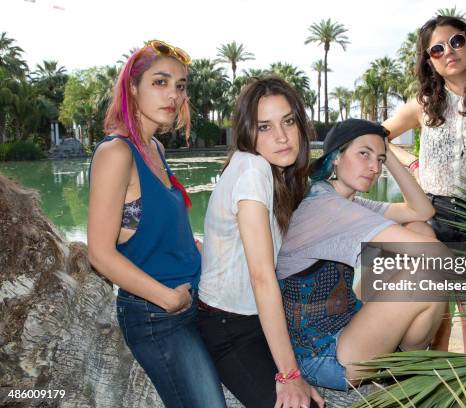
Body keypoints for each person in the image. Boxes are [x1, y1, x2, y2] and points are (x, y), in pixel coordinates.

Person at [87, 40, 226, 407]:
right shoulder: (116, 153)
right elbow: (100, 253)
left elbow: (149, 223)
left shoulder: (155, 150)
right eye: (160, 82)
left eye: (180, 86)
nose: (173, 95)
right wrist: (167, 298)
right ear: (132, 87)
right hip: (158, 314)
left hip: (196, 298)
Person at [275, 118, 447, 391]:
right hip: (322, 356)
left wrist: (387, 151)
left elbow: (422, 211)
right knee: (428, 273)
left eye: (379, 160)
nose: (374, 167)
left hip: (346, 322)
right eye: (363, 154)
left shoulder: (343, 198)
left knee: (420, 229)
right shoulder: (326, 207)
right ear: (335, 157)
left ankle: (405, 363)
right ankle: (408, 367)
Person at [382, 16, 466, 355]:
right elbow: (374, 139)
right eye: (437, 49)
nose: (449, 53)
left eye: (457, 41)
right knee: (430, 335)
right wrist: (411, 163)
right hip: (431, 220)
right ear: (430, 61)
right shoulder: (424, 106)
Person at [197, 76, 324, 408]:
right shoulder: (253, 170)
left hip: (256, 319)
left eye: (288, 122)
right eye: (265, 127)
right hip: (229, 327)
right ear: (248, 132)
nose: (281, 137)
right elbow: (261, 276)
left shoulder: (277, 173)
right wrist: (288, 375)